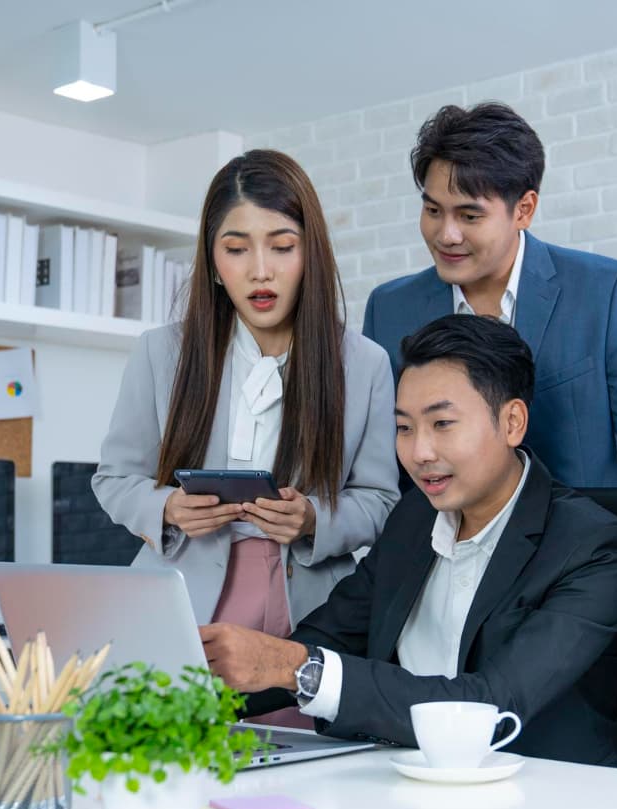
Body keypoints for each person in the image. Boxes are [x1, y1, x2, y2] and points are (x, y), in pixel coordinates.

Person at [200, 315, 617, 767]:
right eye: (405, 428)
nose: (419, 453)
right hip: (402, 775)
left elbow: (490, 706)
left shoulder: (594, 547)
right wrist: (189, 695)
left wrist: (298, 669)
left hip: (542, 788)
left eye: (442, 423)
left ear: (512, 422)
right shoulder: (413, 517)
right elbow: (331, 635)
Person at [93, 149, 400, 726]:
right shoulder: (161, 353)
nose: (260, 270)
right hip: (185, 592)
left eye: (282, 246)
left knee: (303, 765)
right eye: (236, 249)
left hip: (308, 606)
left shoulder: (364, 364)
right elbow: (114, 479)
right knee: (173, 756)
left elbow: (382, 500)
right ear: (213, 262)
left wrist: (313, 519)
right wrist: (168, 507)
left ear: (310, 254)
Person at [362, 102, 617, 515]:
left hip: (578, 539)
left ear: (523, 209)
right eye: (433, 210)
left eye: (469, 215)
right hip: (441, 542)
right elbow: (380, 461)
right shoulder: (389, 308)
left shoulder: (603, 290)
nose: (446, 234)